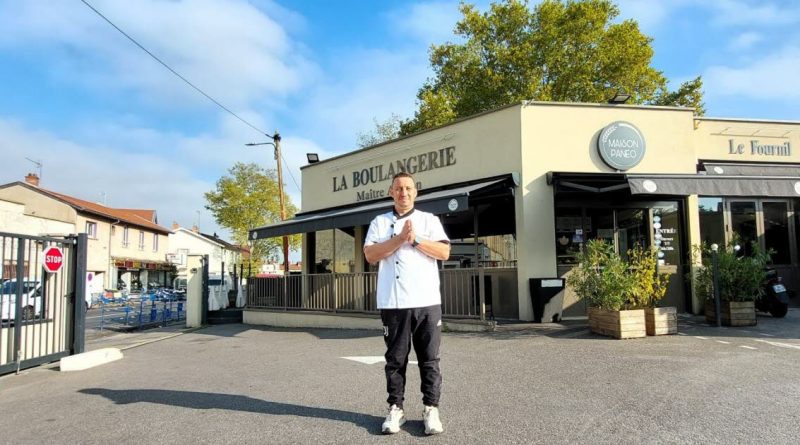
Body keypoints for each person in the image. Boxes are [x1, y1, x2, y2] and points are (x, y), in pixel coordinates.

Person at [363, 172, 451, 435]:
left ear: (416, 192)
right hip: (393, 302)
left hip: (426, 300)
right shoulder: (379, 222)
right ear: (391, 192)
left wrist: (416, 239)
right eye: (398, 188)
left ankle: (431, 409)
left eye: (408, 188)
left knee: (429, 360)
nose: (404, 193)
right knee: (395, 360)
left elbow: (444, 252)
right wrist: (400, 238)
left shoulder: (429, 220)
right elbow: (370, 254)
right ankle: (395, 409)